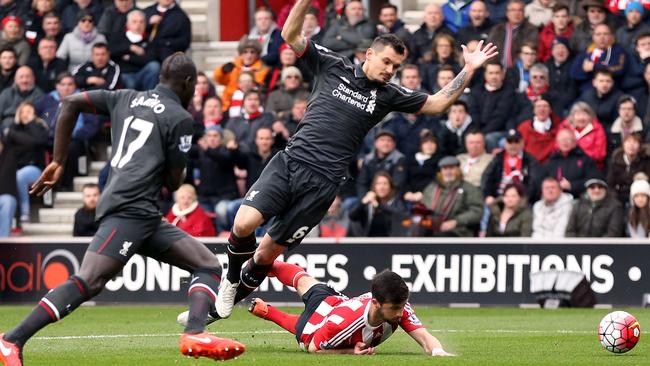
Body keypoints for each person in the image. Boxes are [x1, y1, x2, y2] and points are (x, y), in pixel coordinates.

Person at [205, 0, 497, 324]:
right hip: (290, 163)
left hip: (323, 185)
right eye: (386, 62)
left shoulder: (388, 94)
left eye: (396, 67)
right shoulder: (332, 64)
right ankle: (230, 283)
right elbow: (290, 33)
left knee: (264, 255)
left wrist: (469, 68)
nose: (390, 70)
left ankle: (215, 311)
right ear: (369, 54)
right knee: (243, 224)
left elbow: (439, 103)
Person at [0, 53, 246, 365]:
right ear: (186, 84)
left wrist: (59, 160)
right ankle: (11, 339)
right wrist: (180, 163)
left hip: (140, 212)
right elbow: (174, 180)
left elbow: (71, 101)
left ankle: (195, 332)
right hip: (129, 209)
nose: (193, 92)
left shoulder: (126, 97)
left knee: (207, 264)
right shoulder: (180, 118)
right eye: (193, 87)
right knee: (89, 281)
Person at [404, 156, 483, 236]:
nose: (448, 172)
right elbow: (423, 207)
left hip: (457, 230)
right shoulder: (432, 187)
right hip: (431, 225)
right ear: (441, 171)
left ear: (458, 170)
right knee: (413, 231)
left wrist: (456, 222)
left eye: (451, 168)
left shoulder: (469, 188)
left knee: (440, 237)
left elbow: (477, 211)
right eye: (445, 169)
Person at [108, 9, 160, 91]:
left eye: (141, 22)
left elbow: (150, 59)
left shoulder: (149, 39)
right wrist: (131, 48)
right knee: (129, 83)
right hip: (124, 74)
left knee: (154, 66)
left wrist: (128, 57)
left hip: (142, 74)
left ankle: (149, 98)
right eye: (134, 22)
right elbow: (111, 52)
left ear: (145, 24)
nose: (138, 25)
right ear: (128, 24)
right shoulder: (118, 36)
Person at [541, 128, 598, 198]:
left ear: (575, 142)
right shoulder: (552, 160)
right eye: (562, 140)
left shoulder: (584, 159)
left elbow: (593, 180)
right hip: (556, 199)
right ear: (557, 143)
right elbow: (544, 180)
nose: (565, 142)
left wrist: (572, 185)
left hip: (579, 198)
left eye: (568, 139)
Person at [488, 0, 538, 69]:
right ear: (507, 13)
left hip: (520, 69)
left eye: (520, 10)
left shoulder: (531, 30)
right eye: (513, 10)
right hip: (498, 69)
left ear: (524, 13)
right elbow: (490, 49)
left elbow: (529, 50)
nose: (516, 13)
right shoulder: (497, 29)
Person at [561, 101, 607, 169]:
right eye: (578, 115)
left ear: (590, 116)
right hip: (567, 166)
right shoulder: (564, 128)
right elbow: (558, 148)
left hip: (591, 166)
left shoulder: (598, 129)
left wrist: (581, 157)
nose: (581, 118)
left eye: (584, 114)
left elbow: (600, 154)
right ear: (572, 117)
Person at [607, 133, 650, 206]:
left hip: (639, 199)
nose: (631, 145)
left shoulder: (646, 162)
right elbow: (610, 185)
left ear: (639, 147)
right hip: (619, 198)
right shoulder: (615, 162)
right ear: (623, 145)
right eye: (628, 142)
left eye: (635, 142)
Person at [517, 96, 561, 163]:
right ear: (534, 110)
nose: (542, 109)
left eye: (545, 106)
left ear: (550, 110)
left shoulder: (559, 128)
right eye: (538, 106)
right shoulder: (524, 127)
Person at [0, 132, 17, 237]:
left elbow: (4, 180)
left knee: (7, 202)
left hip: (5, 195)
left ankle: (3, 242)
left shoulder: (9, 157)